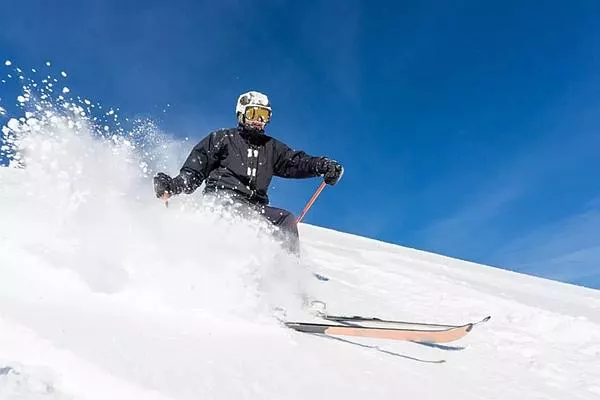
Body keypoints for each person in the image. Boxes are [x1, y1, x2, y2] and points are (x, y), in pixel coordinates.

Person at [153, 90, 344, 254]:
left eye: (264, 115)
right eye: (254, 113)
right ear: (241, 114)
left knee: (286, 220)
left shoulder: (270, 147)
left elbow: (296, 162)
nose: (259, 121)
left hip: (254, 206)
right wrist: (173, 185)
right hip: (223, 202)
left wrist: (322, 165)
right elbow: (195, 170)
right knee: (248, 218)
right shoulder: (222, 139)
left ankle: (287, 278)